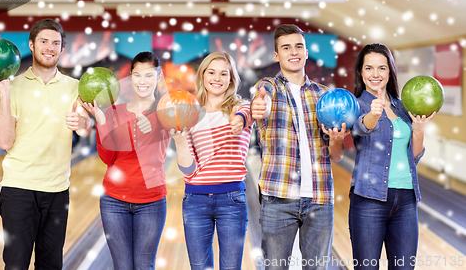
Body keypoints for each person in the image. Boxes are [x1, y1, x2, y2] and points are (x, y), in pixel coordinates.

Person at [0, 19, 92, 269]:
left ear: (62, 49)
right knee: (16, 264)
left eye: (56, 43)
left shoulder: (75, 87)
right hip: (18, 188)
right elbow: (4, 141)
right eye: (44, 41)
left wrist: (83, 124)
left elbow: (85, 130)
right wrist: (5, 93)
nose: (49, 47)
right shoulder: (11, 86)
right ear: (32, 45)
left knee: (51, 264)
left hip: (57, 190)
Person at [251, 24, 349, 270]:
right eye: (286, 47)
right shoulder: (268, 88)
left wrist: (337, 139)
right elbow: (262, 101)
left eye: (298, 46)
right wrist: (258, 106)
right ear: (276, 55)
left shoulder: (324, 96)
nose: (293, 52)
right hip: (278, 198)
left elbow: (335, 156)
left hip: (319, 198)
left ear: (306, 53)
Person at [80, 52, 170, 270]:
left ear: (158, 77)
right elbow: (107, 158)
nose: (142, 81)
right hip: (114, 201)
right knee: (122, 266)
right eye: (137, 75)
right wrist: (101, 120)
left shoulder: (166, 112)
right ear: (130, 77)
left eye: (149, 75)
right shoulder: (114, 112)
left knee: (143, 265)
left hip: (151, 201)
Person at [349, 43, 434, 269]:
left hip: (406, 200)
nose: (375, 74)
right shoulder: (356, 105)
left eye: (382, 68)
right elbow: (358, 129)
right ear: (361, 72)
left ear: (390, 72)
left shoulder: (402, 107)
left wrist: (419, 128)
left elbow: (413, 157)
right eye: (369, 68)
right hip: (369, 200)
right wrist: (373, 116)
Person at [171, 51, 253, 270]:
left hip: (232, 200)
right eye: (212, 72)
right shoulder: (190, 114)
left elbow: (246, 116)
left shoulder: (241, 108)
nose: (217, 78)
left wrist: (238, 121)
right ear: (203, 76)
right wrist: (179, 142)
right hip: (195, 200)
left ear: (231, 79)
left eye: (223, 73)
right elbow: (189, 171)